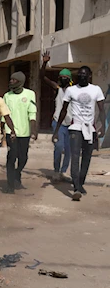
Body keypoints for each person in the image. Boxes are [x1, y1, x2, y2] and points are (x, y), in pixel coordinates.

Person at [53, 66, 105, 201]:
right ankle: (76, 188)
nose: (82, 76)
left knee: (87, 158)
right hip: (75, 127)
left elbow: (101, 109)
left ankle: (80, 182)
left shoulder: (96, 90)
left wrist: (102, 127)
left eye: (85, 75)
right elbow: (63, 111)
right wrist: (57, 130)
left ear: (89, 76)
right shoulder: (71, 90)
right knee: (75, 157)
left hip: (90, 129)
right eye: (80, 74)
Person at [2, 71, 37, 193]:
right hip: (10, 132)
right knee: (11, 157)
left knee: (23, 158)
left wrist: (33, 130)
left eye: (14, 80)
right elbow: (4, 115)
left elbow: (32, 112)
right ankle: (10, 184)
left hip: (24, 133)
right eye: (10, 80)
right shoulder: (7, 96)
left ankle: (17, 173)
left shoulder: (30, 94)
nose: (11, 82)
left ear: (21, 82)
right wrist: (2, 131)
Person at [41, 51, 72, 182]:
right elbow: (42, 77)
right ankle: (56, 171)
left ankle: (64, 171)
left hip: (71, 123)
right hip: (57, 123)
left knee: (69, 150)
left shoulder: (74, 90)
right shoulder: (57, 88)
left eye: (66, 77)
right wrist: (44, 63)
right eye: (61, 76)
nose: (63, 78)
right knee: (59, 147)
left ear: (70, 79)